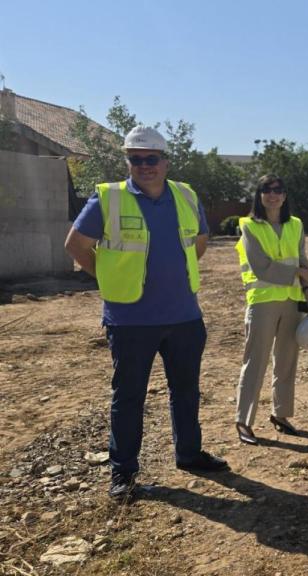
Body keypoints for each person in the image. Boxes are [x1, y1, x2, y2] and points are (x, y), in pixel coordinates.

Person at [64, 126, 228, 501]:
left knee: (186, 391)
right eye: (135, 159)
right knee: (129, 397)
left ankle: (189, 454)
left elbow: (200, 242)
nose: (144, 165)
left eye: (151, 158)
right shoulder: (109, 198)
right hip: (130, 321)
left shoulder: (186, 195)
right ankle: (123, 472)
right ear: (128, 162)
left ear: (165, 161)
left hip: (184, 316)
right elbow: (76, 245)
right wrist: (110, 278)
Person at [234, 175, 308, 446]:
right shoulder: (249, 226)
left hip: (292, 300)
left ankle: (280, 414)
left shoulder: (296, 225)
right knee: (255, 361)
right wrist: (297, 273)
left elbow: (303, 261)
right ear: (259, 195)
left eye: (278, 190)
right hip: (263, 301)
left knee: (287, 360)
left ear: (285, 195)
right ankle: (243, 420)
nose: (273, 195)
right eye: (267, 190)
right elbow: (261, 267)